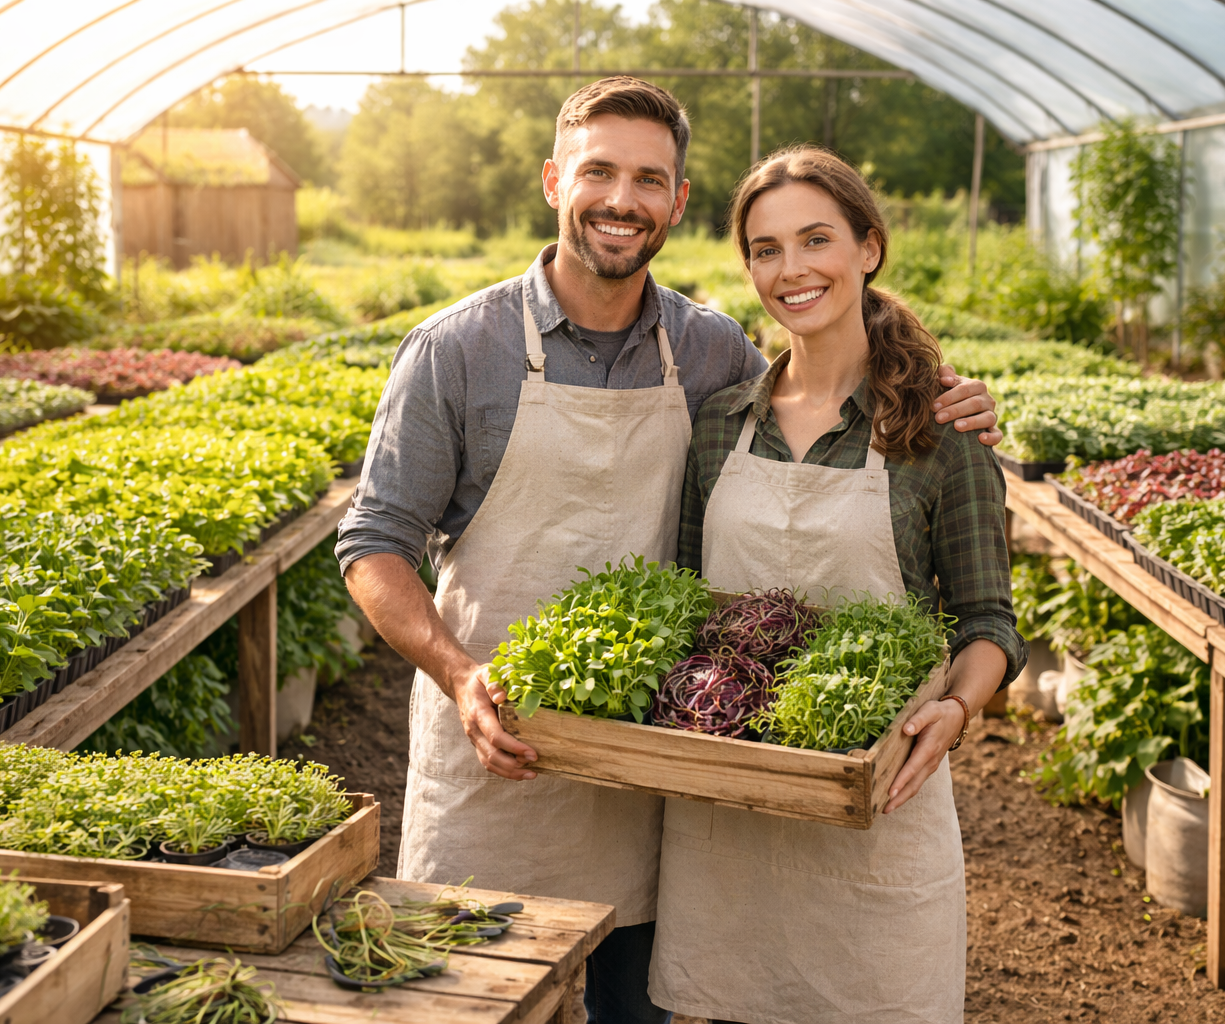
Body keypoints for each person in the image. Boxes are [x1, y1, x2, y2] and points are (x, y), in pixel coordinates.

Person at [336, 81, 1001, 1024]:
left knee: (639, 1008)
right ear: (553, 179)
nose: (622, 199)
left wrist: (944, 398)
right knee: (468, 1002)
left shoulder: (713, 354)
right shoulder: (457, 351)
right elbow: (372, 541)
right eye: (599, 170)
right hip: (499, 751)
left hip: (662, 772)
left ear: (677, 203)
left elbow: (830, 387)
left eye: (650, 179)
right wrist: (459, 675)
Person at [647, 145, 1028, 1024]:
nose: (792, 270)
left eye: (816, 239)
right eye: (766, 249)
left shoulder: (940, 432)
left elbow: (989, 623)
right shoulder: (718, 428)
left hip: (877, 810)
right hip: (728, 815)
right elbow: (681, 601)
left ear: (868, 247)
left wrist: (958, 708)